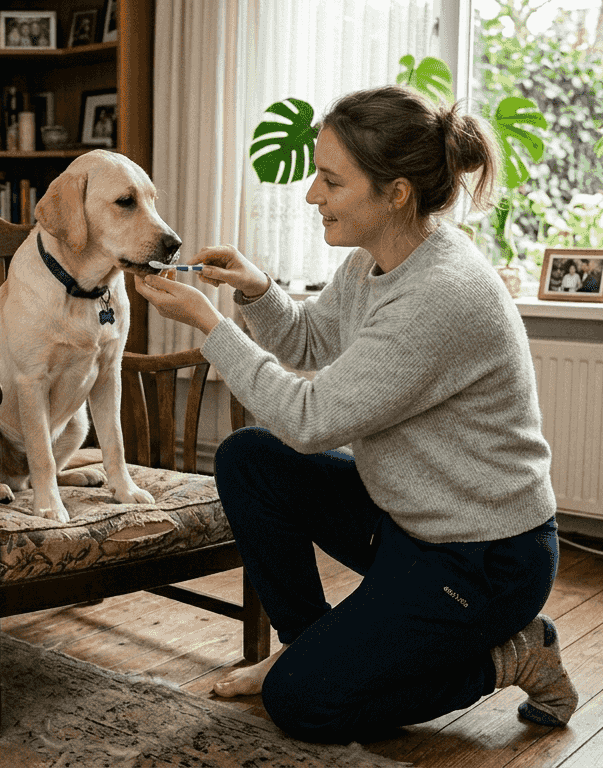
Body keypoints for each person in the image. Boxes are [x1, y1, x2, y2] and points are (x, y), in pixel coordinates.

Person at [133, 84, 576, 744]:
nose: (312, 194)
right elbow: (311, 341)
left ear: (395, 192)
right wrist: (256, 291)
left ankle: (515, 653)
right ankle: (313, 646)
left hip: (484, 560)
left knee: (304, 704)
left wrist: (207, 325)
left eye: (331, 181)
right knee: (250, 460)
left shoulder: (440, 294)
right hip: (411, 522)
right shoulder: (378, 260)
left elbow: (310, 421)